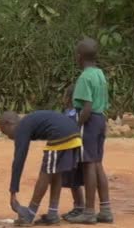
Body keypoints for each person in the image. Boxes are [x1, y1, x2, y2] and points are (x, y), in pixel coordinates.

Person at [0, 110, 82, 226]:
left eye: (6, 133)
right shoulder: (27, 122)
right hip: (73, 132)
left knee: (45, 174)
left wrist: (13, 192)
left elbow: (19, 159)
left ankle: (30, 213)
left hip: (60, 133)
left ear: (8, 123)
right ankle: (52, 214)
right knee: (56, 172)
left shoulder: (21, 127)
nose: (8, 137)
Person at [67, 38, 114, 224]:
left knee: (88, 164)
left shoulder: (85, 77)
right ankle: (105, 209)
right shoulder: (100, 74)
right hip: (100, 119)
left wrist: (76, 125)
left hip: (89, 121)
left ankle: (88, 211)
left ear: (79, 57)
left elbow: (86, 107)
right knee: (97, 164)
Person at [61, 85, 85, 221]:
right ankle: (78, 206)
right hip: (68, 149)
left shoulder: (74, 113)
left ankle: (80, 206)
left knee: (74, 181)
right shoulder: (68, 111)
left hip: (73, 150)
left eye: (65, 96)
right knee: (72, 181)